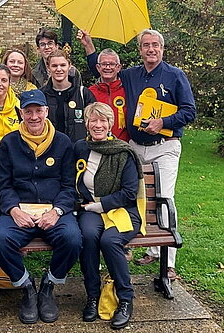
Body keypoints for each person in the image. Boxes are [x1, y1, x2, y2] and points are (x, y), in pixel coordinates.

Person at [78, 29, 197, 280]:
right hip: (134, 146)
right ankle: (141, 245)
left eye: (155, 45)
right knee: (134, 198)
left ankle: (168, 261)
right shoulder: (131, 75)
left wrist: (164, 120)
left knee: (163, 195)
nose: (150, 49)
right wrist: (89, 46)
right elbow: (104, 68)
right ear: (140, 50)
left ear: (162, 49)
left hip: (165, 145)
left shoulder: (175, 76)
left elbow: (189, 111)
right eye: (145, 45)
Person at [0, 90, 82, 325]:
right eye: (28, 111)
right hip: (20, 211)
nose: (33, 117)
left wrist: (57, 211)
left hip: (53, 211)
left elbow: (69, 185)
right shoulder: (9, 142)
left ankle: (49, 286)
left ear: (46, 112)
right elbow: (4, 183)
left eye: (38, 111)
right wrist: (13, 210)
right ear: (20, 113)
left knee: (73, 239)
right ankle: (27, 287)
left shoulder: (62, 142)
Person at [74, 102, 146, 329]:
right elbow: (71, 180)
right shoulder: (80, 148)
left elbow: (129, 192)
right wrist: (86, 205)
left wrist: (100, 205)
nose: (97, 125)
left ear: (110, 124)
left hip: (123, 209)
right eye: (93, 120)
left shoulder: (124, 151)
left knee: (110, 240)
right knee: (87, 236)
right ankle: (93, 295)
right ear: (86, 123)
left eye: (102, 120)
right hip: (89, 208)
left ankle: (125, 298)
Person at [40, 50, 96, 143]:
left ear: (69, 66)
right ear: (48, 67)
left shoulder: (83, 93)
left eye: (62, 65)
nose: (59, 69)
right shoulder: (41, 94)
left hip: (78, 151)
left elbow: (95, 122)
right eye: (54, 66)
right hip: (49, 150)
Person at [86, 48, 129, 142]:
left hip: (124, 145)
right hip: (97, 145)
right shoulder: (89, 92)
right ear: (98, 67)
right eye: (104, 64)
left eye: (112, 64)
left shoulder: (128, 91)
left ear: (118, 67)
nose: (108, 67)